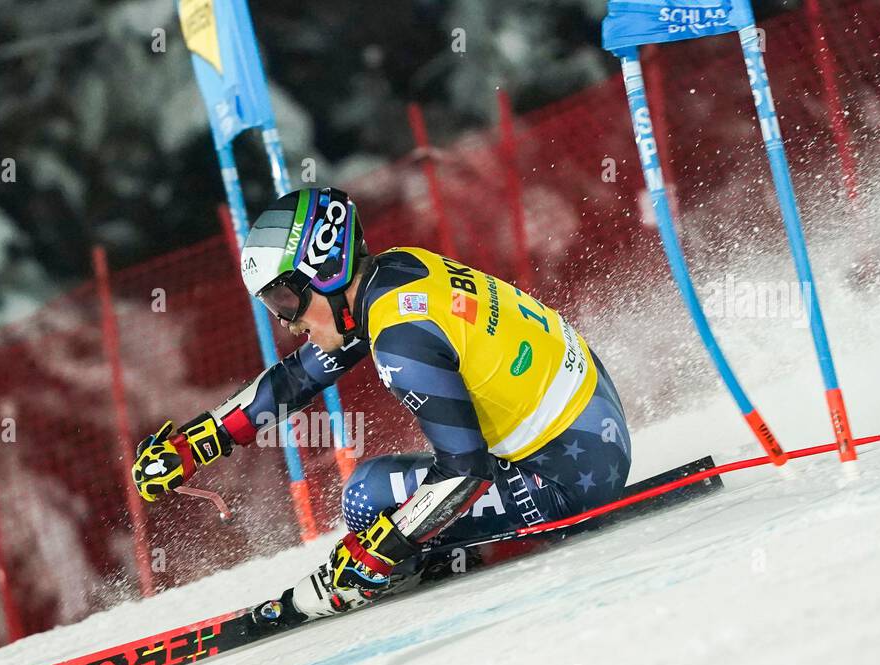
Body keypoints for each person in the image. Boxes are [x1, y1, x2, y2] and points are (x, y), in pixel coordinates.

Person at [131, 186, 631, 620]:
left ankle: (443, 559)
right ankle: (440, 548)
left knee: (366, 497)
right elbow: (297, 378)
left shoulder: (399, 335)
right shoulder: (392, 274)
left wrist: (373, 554)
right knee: (393, 489)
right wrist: (199, 442)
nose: (286, 323)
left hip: (567, 481)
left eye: (285, 300)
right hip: (596, 434)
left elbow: (464, 473)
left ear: (324, 271)